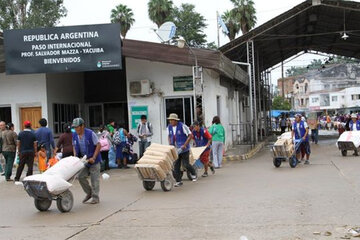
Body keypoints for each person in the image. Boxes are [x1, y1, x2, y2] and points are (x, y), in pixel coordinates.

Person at [72, 118, 101, 204]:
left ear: (82, 126)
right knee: (80, 176)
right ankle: (89, 193)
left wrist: (94, 157)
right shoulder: (74, 135)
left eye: (77, 127)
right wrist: (75, 156)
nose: (76, 129)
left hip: (93, 160)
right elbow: (74, 145)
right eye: (75, 127)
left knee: (94, 179)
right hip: (84, 160)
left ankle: (95, 197)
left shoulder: (90, 134)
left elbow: (98, 145)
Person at [167, 113, 197, 187]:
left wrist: (185, 145)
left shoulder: (182, 126)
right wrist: (170, 143)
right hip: (175, 149)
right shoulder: (169, 127)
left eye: (172, 120)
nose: (170, 122)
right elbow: (169, 136)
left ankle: (193, 173)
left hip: (184, 149)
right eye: (170, 120)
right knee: (176, 165)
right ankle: (178, 181)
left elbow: (190, 135)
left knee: (186, 164)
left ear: (176, 120)